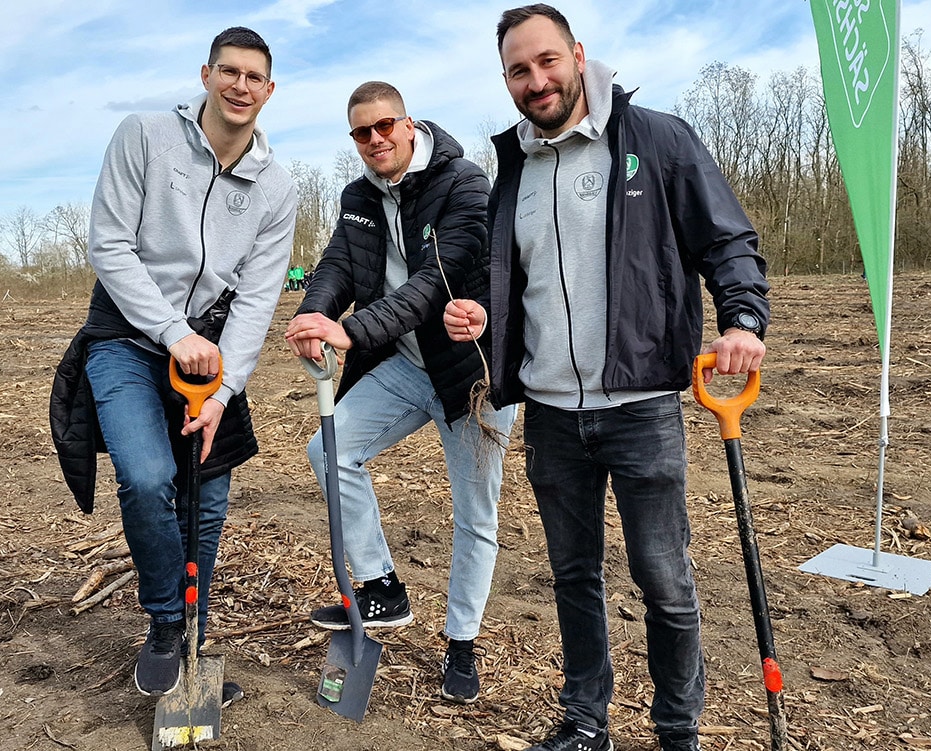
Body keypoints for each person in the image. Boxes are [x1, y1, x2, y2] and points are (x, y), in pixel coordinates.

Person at [443, 6, 770, 750]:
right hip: (552, 411)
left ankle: (675, 729)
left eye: (547, 61)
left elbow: (727, 240)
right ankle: (586, 721)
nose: (537, 81)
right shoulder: (513, 168)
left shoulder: (654, 139)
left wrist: (742, 321)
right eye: (519, 71)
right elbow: (514, 284)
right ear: (506, 80)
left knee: (665, 582)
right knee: (572, 576)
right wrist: (477, 317)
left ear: (577, 56)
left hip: (642, 404)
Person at [48, 26, 295, 702]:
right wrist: (168, 328)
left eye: (254, 77)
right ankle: (164, 621)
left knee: (206, 506)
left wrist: (221, 393)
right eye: (229, 71)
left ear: (268, 91)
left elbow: (257, 298)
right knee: (148, 474)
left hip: (209, 357)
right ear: (207, 74)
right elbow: (109, 244)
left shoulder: (276, 187)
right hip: (125, 337)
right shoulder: (144, 136)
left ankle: (193, 641)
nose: (240, 85)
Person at [285, 80, 516, 704]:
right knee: (330, 451)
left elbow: (428, 289)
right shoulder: (358, 195)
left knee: (475, 514)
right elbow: (336, 264)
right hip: (406, 366)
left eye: (385, 126)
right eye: (361, 133)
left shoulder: (463, 183)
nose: (375, 140)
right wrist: (314, 315)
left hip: (473, 374)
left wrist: (350, 331)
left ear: (409, 123)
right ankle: (382, 588)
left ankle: (461, 645)